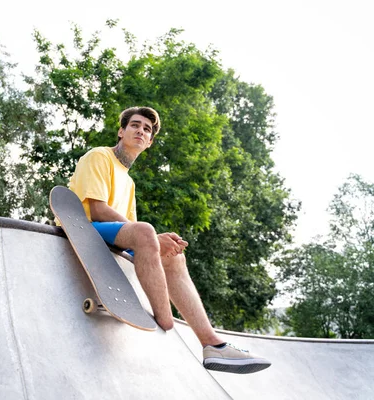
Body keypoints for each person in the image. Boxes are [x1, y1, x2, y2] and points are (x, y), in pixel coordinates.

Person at [67, 106, 271, 374]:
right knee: (146, 231)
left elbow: (132, 231)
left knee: (174, 255)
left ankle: (213, 345)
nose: (141, 130)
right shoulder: (100, 156)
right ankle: (166, 322)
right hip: (84, 228)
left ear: (149, 142)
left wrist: (156, 245)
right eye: (135, 125)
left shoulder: (129, 182)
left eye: (147, 129)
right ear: (121, 131)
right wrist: (150, 237)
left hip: (111, 239)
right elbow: (98, 210)